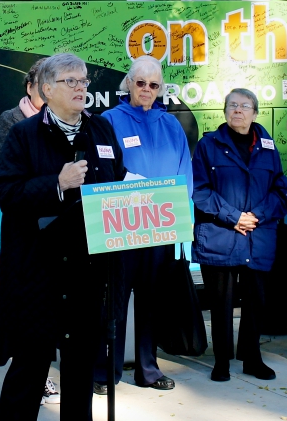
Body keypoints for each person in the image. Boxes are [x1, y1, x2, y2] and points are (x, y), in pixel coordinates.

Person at [0, 53, 126, 421]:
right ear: (47, 89)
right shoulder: (24, 134)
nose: (81, 88)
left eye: (84, 81)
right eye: (72, 81)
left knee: (80, 373)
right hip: (39, 276)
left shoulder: (101, 130)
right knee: (29, 371)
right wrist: (56, 183)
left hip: (87, 275)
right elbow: (8, 194)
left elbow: (118, 183)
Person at [94, 55, 191, 393]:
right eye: (141, 83)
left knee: (151, 302)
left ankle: (148, 370)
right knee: (114, 303)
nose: (147, 89)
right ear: (128, 84)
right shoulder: (108, 120)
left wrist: (179, 215)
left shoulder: (172, 125)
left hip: (160, 227)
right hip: (123, 226)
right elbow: (103, 170)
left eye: (154, 85)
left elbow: (185, 174)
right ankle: (106, 372)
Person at [192, 88, 287, 382]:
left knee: (256, 301)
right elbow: (199, 190)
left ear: (255, 113)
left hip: (257, 236)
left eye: (245, 106)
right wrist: (234, 217)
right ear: (224, 111)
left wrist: (256, 216)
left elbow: (281, 190)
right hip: (221, 236)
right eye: (232, 105)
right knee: (220, 302)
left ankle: (252, 358)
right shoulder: (208, 144)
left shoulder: (268, 146)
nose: (238, 110)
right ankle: (221, 360)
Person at [0, 58, 61, 407]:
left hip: (65, 245)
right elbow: (13, 186)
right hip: (29, 242)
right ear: (36, 87)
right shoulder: (15, 124)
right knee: (30, 340)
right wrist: (57, 182)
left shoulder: (87, 127)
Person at [0, 58, 45, 152]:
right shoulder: (9, 118)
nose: (47, 93)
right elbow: (10, 163)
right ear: (30, 88)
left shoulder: (68, 118)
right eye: (43, 85)